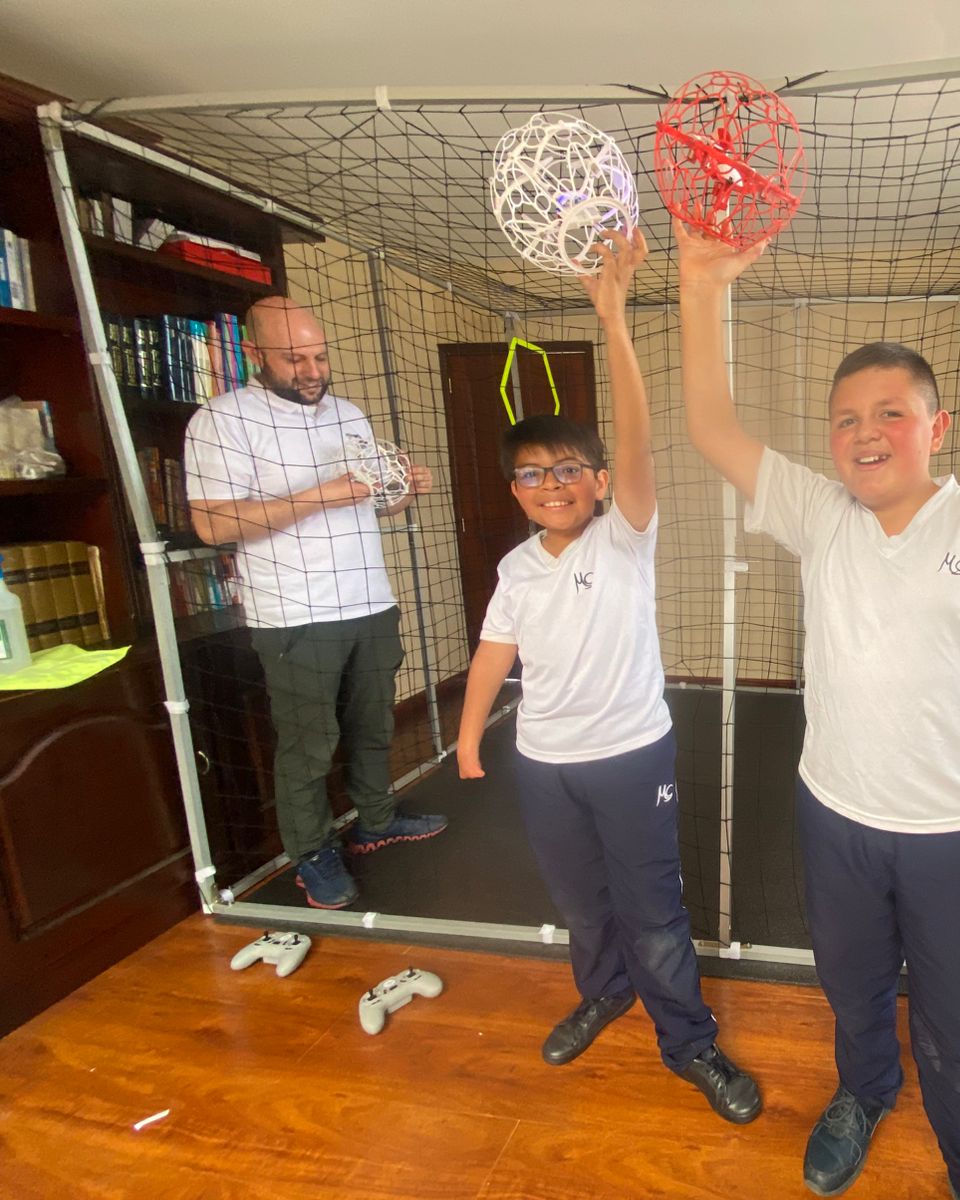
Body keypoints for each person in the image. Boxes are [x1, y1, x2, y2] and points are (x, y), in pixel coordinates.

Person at [676, 220, 960, 1200]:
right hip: (836, 820)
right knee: (855, 994)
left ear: (935, 426)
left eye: (891, 412)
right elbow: (711, 428)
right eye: (846, 418)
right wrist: (702, 288)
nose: (865, 432)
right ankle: (863, 1092)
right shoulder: (821, 515)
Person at [455, 229, 761, 1125]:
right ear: (514, 491)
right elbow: (493, 656)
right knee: (584, 906)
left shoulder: (626, 536)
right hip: (546, 765)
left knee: (653, 910)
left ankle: (690, 1043)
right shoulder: (517, 570)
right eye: (530, 474)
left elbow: (637, 440)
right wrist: (471, 735)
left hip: (630, 757)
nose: (550, 483)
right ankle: (603, 992)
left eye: (566, 470)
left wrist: (614, 321)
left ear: (594, 482)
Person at [185, 296, 446, 911]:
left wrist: (403, 491)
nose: (311, 369)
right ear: (253, 354)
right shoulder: (221, 420)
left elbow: (373, 503)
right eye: (293, 357)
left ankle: (376, 821)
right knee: (308, 744)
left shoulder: (349, 415)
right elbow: (211, 525)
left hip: (370, 601)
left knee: (372, 725)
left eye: (319, 355)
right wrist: (319, 496)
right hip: (293, 615)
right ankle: (311, 854)